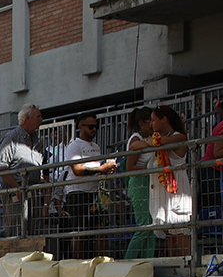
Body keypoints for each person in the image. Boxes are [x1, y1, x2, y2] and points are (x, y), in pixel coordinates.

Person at [0, 104, 47, 237]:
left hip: (34, 192)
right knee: (17, 230)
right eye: (38, 116)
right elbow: (1, 167)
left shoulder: (37, 141)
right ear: (27, 118)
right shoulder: (11, 138)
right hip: (16, 194)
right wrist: (18, 188)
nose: (41, 119)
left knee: (35, 231)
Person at [64, 113, 116, 259]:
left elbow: (95, 169)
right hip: (77, 192)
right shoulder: (74, 146)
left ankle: (101, 261)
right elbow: (77, 169)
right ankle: (78, 264)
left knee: (100, 228)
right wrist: (101, 169)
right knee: (80, 231)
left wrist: (106, 169)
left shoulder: (95, 146)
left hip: (95, 193)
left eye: (96, 126)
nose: (95, 129)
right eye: (91, 126)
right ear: (80, 127)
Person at [147, 105, 193, 258]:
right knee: (170, 236)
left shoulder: (179, 137)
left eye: (154, 120)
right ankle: (174, 266)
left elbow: (160, 142)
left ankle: (189, 265)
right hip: (161, 195)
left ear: (164, 119)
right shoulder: (157, 140)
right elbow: (135, 145)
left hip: (176, 192)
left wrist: (151, 142)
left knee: (180, 232)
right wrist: (151, 142)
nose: (151, 124)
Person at [123, 107, 157, 259]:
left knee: (153, 227)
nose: (153, 125)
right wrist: (150, 168)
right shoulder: (136, 139)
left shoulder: (151, 137)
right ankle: (127, 261)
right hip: (139, 182)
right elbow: (130, 167)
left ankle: (147, 260)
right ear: (143, 123)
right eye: (152, 122)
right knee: (144, 227)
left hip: (150, 182)